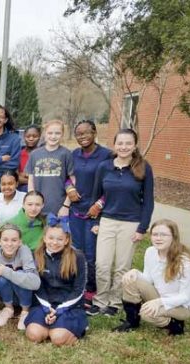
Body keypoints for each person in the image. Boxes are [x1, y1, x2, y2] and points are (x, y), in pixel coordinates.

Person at [87, 128, 154, 316]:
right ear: (114, 145)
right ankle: (100, 300)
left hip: (130, 223)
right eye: (120, 143)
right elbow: (97, 196)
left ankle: (115, 302)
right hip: (107, 220)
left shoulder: (143, 167)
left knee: (121, 266)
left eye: (128, 143)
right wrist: (96, 220)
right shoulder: (104, 167)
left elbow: (148, 202)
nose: (123, 147)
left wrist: (142, 228)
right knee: (102, 264)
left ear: (134, 146)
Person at [113, 219, 190, 336]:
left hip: (182, 306)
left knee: (147, 313)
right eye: (155, 234)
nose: (158, 238)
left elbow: (185, 297)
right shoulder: (150, 251)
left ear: (173, 237)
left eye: (164, 235)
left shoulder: (185, 262)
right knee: (130, 280)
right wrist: (135, 272)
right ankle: (131, 322)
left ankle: (176, 325)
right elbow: (148, 278)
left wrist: (159, 302)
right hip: (161, 296)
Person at [68, 120, 113, 307]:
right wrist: (69, 188)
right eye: (78, 134)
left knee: (91, 251)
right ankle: (80, 284)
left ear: (94, 132)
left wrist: (100, 203)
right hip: (76, 209)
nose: (82, 137)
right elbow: (66, 176)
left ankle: (92, 288)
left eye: (86, 133)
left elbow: (112, 183)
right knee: (77, 249)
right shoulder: (74, 155)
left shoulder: (106, 155)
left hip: (95, 212)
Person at [25, 216, 87, 346]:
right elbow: (37, 286)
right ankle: (50, 326)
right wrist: (48, 309)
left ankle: (68, 328)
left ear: (67, 240)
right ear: (44, 238)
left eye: (60, 239)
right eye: (51, 238)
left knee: (58, 338)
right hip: (44, 303)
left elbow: (79, 289)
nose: (54, 242)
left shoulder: (77, 256)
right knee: (34, 334)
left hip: (69, 305)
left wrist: (60, 310)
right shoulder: (36, 255)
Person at [0, 223, 40, 330]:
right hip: (7, 295)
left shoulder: (24, 251)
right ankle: (8, 309)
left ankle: (25, 311)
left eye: (14, 240)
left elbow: (35, 283)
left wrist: (6, 271)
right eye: (5, 240)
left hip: (26, 295)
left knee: (20, 274)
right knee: (1, 278)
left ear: (20, 242)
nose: (9, 244)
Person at [25, 120, 75, 216]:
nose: (53, 136)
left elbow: (73, 180)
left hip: (59, 206)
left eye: (57, 133)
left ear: (62, 134)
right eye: (50, 133)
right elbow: (31, 180)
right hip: (38, 206)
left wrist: (66, 205)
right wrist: (32, 203)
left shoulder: (66, 154)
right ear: (44, 134)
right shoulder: (34, 154)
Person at [18, 125, 41, 192]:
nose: (31, 139)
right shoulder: (18, 154)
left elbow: (43, 178)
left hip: (39, 191)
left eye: (35, 136)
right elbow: (16, 178)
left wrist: (25, 175)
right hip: (21, 190)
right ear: (24, 137)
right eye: (28, 136)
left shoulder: (43, 154)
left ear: (39, 137)